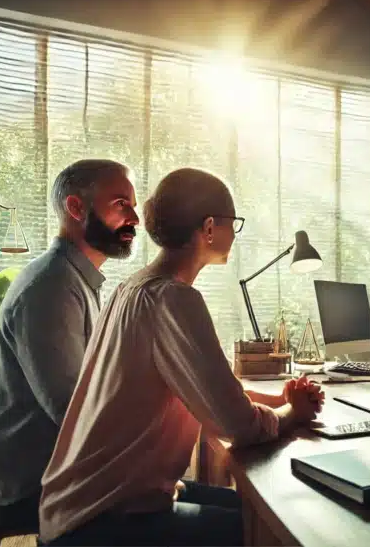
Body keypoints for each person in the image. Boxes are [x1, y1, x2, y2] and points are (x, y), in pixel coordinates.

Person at [38, 168, 324, 546]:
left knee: (259, 510)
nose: (234, 234)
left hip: (80, 506)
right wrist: (293, 413)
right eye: (233, 223)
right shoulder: (173, 299)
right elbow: (237, 425)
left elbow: (210, 391)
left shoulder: (131, 289)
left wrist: (280, 399)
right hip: (100, 520)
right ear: (209, 227)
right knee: (276, 528)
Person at [0, 159, 139, 523]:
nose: (135, 218)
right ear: (75, 207)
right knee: (237, 521)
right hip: (43, 484)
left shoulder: (74, 279)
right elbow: (72, 410)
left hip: (64, 467)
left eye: (133, 205)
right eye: (121, 204)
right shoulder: (51, 289)